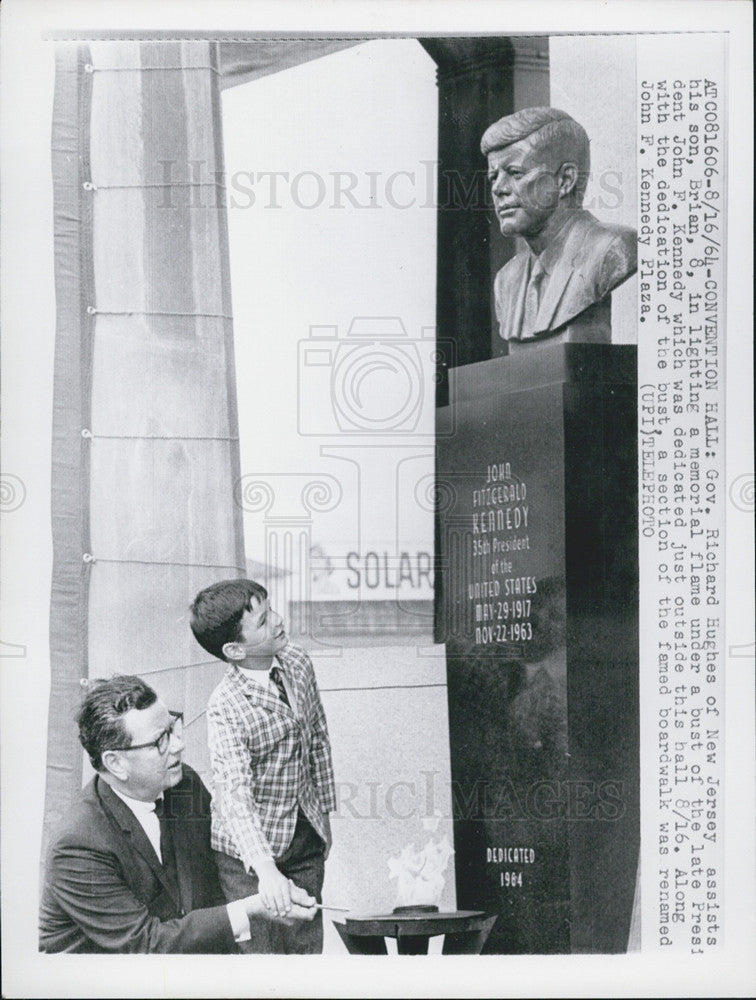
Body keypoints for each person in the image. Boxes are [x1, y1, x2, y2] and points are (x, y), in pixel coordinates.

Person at [39, 674, 316, 953]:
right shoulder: (77, 847)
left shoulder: (184, 786)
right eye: (160, 741)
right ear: (116, 763)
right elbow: (147, 944)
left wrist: (272, 892)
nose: (178, 745)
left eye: (173, 728)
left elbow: (215, 884)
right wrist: (249, 909)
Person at [190, 579, 336, 954]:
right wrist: (266, 869)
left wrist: (324, 818)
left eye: (271, 609)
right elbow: (233, 794)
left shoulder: (297, 662)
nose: (278, 621)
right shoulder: (226, 706)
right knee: (263, 954)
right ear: (234, 649)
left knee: (305, 946)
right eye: (263, 621)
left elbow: (317, 734)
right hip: (246, 855)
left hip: (303, 835)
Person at [481, 106, 637, 346]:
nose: (498, 188)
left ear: (565, 180)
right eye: (494, 176)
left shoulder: (612, 248)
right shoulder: (506, 281)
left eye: (515, 172)